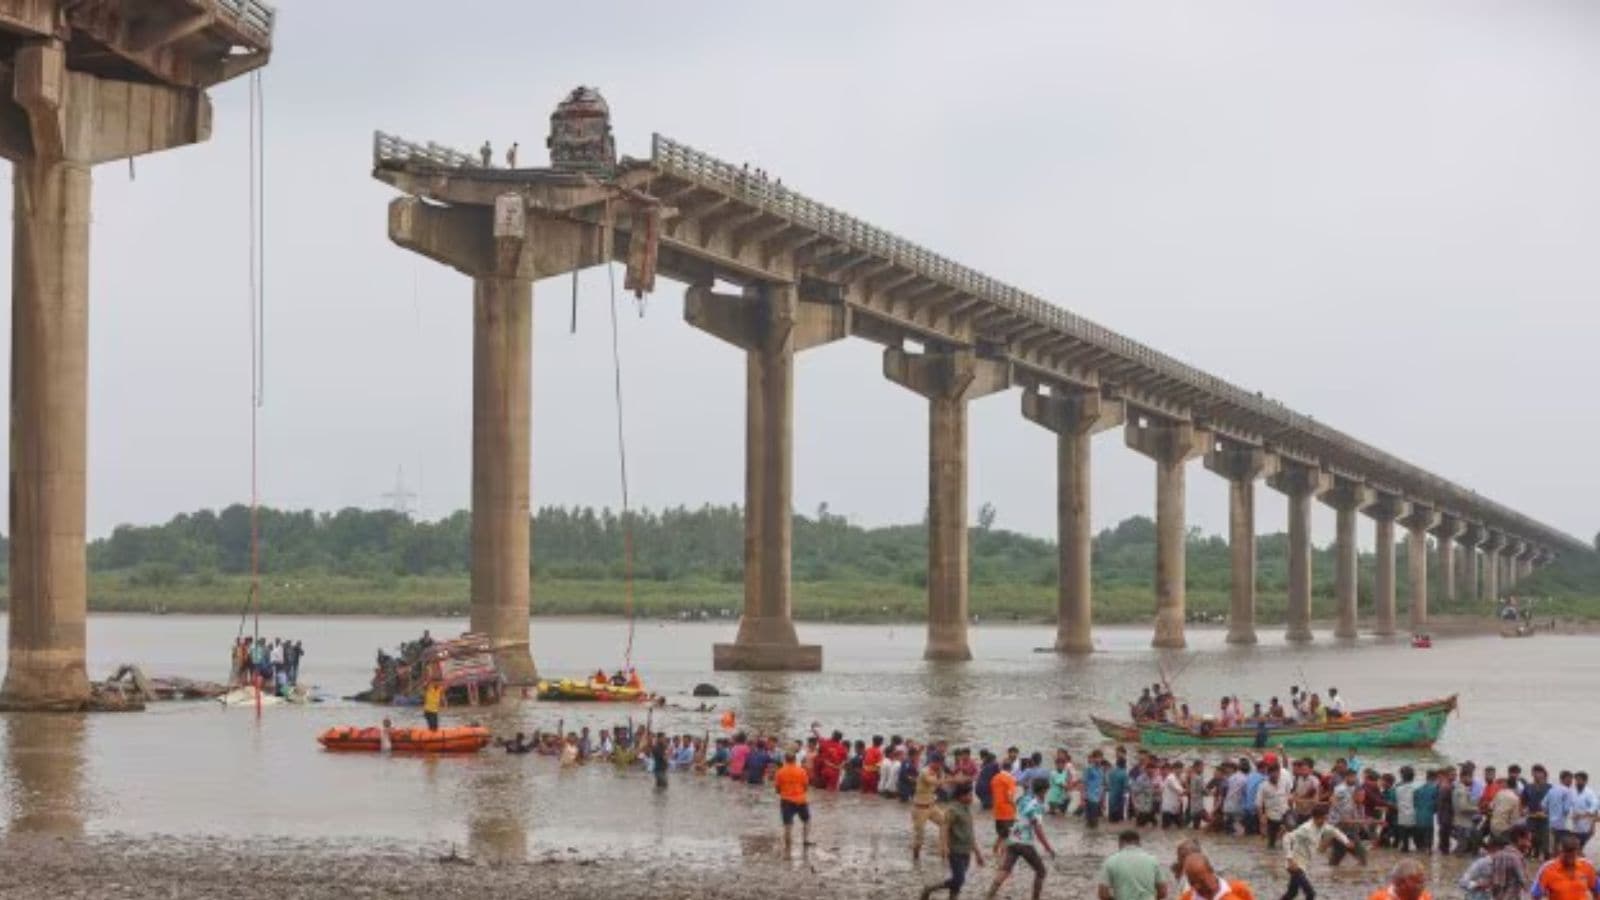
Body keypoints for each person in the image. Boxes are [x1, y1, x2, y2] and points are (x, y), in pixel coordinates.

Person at [987, 779, 1055, 900]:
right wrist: (1048, 848)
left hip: (1012, 840)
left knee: (1005, 870)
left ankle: (989, 896)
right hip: (1024, 843)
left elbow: (1013, 802)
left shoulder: (1024, 799)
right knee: (1041, 872)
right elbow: (1038, 830)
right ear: (1044, 791)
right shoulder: (1037, 806)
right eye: (1047, 791)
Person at [1282, 803, 1360, 900]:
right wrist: (1290, 860)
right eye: (1323, 818)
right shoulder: (1305, 828)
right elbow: (1286, 838)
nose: (1325, 821)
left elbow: (1335, 831)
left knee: (1291, 893)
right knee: (1311, 894)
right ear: (1315, 818)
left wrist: (1346, 841)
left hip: (1304, 864)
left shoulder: (1323, 826)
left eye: (1325, 818)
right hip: (1295, 865)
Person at [922, 782, 984, 900]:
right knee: (959, 879)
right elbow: (944, 827)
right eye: (969, 795)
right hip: (955, 850)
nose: (972, 798)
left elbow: (970, 833)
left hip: (966, 851)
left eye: (972, 795)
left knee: (958, 880)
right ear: (961, 796)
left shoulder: (967, 809)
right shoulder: (952, 809)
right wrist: (944, 846)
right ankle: (930, 888)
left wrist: (978, 853)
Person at [1096, 829, 1168, 900]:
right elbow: (1163, 892)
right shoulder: (1153, 860)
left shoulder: (1110, 861)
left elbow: (1103, 894)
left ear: (1120, 843)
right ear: (1139, 843)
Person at [1531, 834, 1598, 900]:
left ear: (1578, 852)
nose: (1570, 857)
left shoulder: (1587, 867)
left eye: (1573, 853)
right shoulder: (1547, 868)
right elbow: (1535, 895)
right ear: (1560, 851)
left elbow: (1597, 890)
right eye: (1567, 852)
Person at [774, 750, 813, 853]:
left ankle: (788, 846)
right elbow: (806, 786)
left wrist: (784, 792)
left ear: (785, 760)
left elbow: (777, 789)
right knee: (807, 820)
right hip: (801, 800)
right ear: (795, 760)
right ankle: (805, 840)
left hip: (786, 800)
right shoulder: (802, 771)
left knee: (788, 825)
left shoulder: (780, 772)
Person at [913, 754, 948, 861]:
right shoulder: (925, 771)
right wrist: (950, 779)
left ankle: (943, 851)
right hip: (920, 808)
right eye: (939, 763)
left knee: (945, 822)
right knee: (920, 837)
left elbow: (941, 786)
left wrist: (942, 774)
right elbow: (934, 782)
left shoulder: (938, 771)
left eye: (941, 764)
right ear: (934, 762)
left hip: (932, 806)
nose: (940, 766)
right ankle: (915, 857)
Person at [1179, 852, 1256, 900]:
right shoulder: (1187, 897)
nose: (1197, 886)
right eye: (1192, 883)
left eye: (1201, 881)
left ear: (1211, 871)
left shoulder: (1238, 889)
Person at [1488, 824, 1532, 900]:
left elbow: (1494, 883)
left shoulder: (1498, 855)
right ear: (1519, 839)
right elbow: (1525, 884)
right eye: (1528, 840)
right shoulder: (1517, 857)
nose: (1529, 844)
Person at [991, 761, 1018, 855]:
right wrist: (1015, 807)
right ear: (1010, 769)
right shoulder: (1010, 779)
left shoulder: (994, 778)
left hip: (997, 811)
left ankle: (995, 850)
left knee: (1002, 834)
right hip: (1007, 812)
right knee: (1007, 836)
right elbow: (1010, 797)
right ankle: (1003, 856)